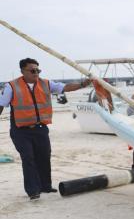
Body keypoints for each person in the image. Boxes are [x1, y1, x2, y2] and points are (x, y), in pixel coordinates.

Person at [0, 58, 90, 200]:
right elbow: (1, 104)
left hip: (40, 129)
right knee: (28, 158)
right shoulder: (11, 86)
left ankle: (45, 186)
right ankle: (33, 191)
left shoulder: (46, 83)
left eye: (38, 70)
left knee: (44, 156)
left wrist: (84, 84)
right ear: (23, 71)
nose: (36, 73)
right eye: (32, 70)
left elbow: (65, 87)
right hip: (20, 131)